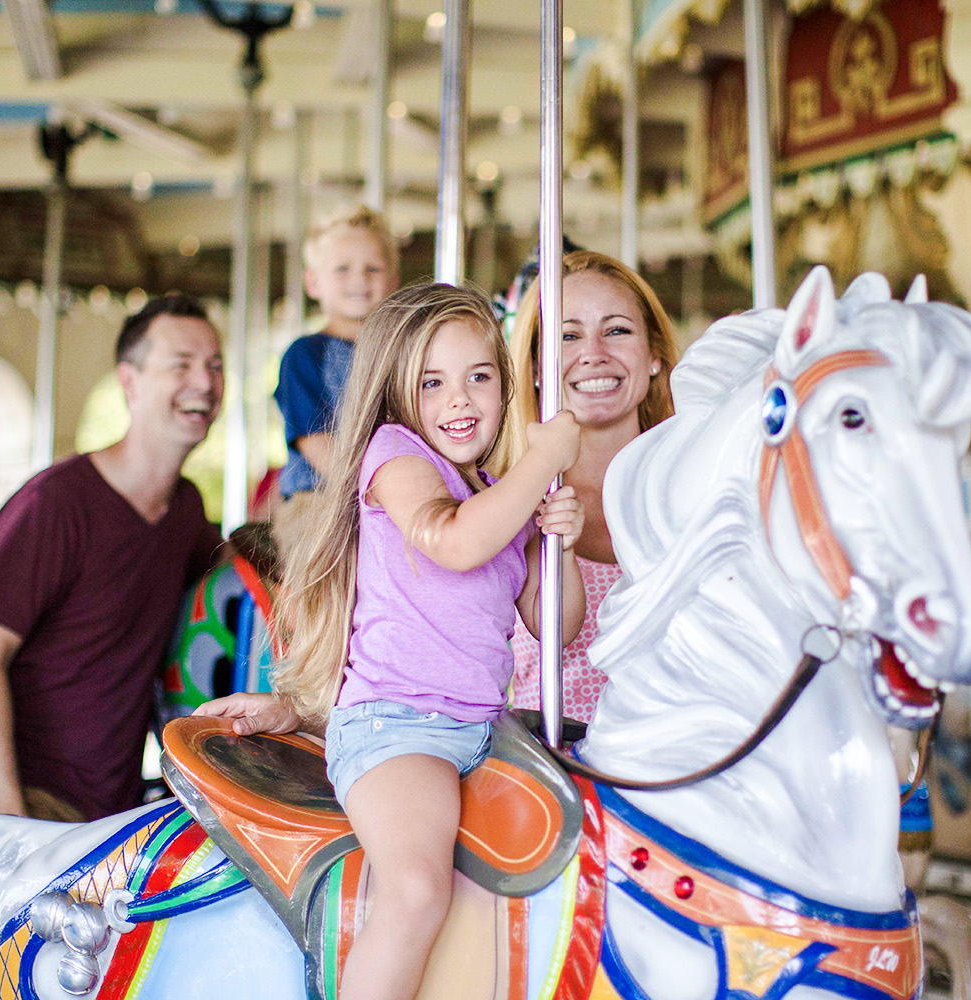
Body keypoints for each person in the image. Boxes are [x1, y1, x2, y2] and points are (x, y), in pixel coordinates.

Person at [199, 283, 586, 1000]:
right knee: (413, 891)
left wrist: (557, 537)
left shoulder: (497, 489)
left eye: (479, 376)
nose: (459, 399)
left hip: (482, 732)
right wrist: (543, 462)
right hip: (399, 729)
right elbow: (452, 541)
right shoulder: (396, 457)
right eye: (431, 383)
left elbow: (553, 626)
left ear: (505, 384)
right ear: (401, 397)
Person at [0, 294, 224, 824]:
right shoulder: (57, 503)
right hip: (14, 797)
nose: (205, 384)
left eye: (215, 366)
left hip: (101, 809)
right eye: (180, 365)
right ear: (130, 382)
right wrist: (7, 814)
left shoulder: (184, 511)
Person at [500, 250, 680, 722]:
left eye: (617, 330)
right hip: (556, 767)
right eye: (567, 336)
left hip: (680, 760)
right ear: (537, 367)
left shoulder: (694, 494)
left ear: (654, 354)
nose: (593, 353)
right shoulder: (506, 502)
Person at [273, 205, 401, 552]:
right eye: (342, 269)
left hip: (391, 496)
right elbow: (317, 444)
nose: (359, 279)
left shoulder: (401, 357)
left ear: (392, 280)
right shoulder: (305, 355)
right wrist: (385, 491)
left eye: (372, 268)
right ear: (313, 281)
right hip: (321, 497)